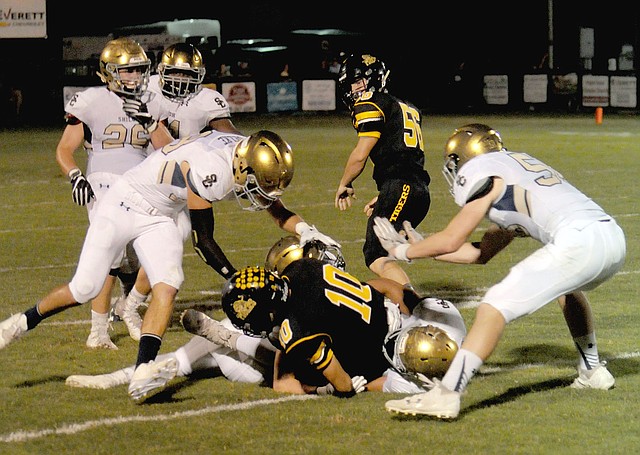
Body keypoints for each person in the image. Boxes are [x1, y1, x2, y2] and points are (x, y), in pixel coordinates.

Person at [0, 128, 337, 404]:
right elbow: (204, 242)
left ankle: (143, 370)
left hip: (160, 214)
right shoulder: (213, 169)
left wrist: (305, 228)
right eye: (260, 188)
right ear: (244, 166)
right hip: (124, 201)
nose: (262, 197)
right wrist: (237, 281)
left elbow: (275, 209)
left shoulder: (244, 155)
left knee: (169, 281)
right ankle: (18, 323)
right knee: (85, 287)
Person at [374, 123, 626, 419]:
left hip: (580, 240)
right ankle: (592, 370)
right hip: (611, 239)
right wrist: (424, 246)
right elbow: (480, 253)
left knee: (493, 305)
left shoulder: (484, 169)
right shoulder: (511, 171)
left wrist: (402, 251)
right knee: (567, 290)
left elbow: (453, 237)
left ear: (466, 158)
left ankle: (447, 395)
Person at [111, 42, 242, 342]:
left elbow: (228, 132)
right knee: (123, 252)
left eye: (188, 76)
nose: (181, 82)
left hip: (181, 186)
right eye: (175, 75)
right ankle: (125, 296)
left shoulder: (208, 99)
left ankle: (130, 305)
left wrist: (249, 145)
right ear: (160, 72)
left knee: (171, 242)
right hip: (142, 176)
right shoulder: (146, 87)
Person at [55, 37, 173, 349]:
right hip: (104, 184)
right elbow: (65, 149)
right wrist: (76, 176)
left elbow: (167, 150)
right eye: (127, 70)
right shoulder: (91, 101)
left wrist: (148, 120)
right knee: (111, 255)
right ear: (109, 73)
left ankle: (129, 307)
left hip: (142, 184)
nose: (135, 76)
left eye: (139, 69)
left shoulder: (152, 99)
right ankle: (98, 331)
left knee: (151, 252)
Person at [334, 53, 431, 287]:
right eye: (350, 84)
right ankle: (409, 306)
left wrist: (344, 183)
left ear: (374, 79)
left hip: (402, 187)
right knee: (383, 251)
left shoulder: (372, 103)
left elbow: (360, 155)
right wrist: (385, 194)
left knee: (376, 254)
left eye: (357, 82)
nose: (353, 89)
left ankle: (414, 309)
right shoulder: (407, 107)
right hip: (416, 190)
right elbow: (407, 158)